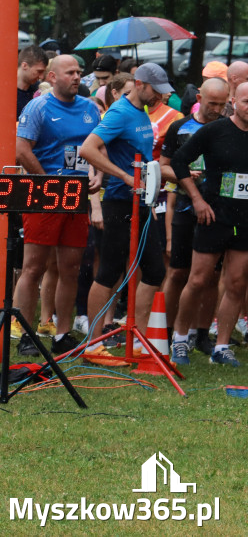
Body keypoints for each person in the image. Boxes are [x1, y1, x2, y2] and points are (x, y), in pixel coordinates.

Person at [168, 82, 248, 367]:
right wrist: (196, 199)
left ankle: (221, 347)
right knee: (198, 279)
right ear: (234, 102)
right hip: (213, 215)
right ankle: (180, 339)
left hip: (247, 220)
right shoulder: (213, 130)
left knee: (236, 283)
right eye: (246, 102)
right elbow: (179, 161)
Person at [79, 63, 172, 363]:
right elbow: (88, 149)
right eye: (155, 90)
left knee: (155, 271)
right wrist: (123, 176)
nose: (159, 96)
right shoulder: (119, 112)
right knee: (108, 272)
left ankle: (138, 339)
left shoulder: (142, 112)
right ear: (140, 83)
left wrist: (148, 194)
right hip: (120, 203)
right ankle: (93, 346)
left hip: (141, 204)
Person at [14, 55, 99, 357]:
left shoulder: (90, 108)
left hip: (76, 194)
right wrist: (47, 182)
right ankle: (26, 333)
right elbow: (21, 149)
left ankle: (63, 334)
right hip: (44, 193)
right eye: (70, 72)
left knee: (71, 268)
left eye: (79, 72)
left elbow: (97, 147)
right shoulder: (38, 107)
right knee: (34, 266)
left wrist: (98, 174)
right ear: (51, 77)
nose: (77, 77)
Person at [159, 78, 231, 351]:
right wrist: (184, 174)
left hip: (218, 209)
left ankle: (201, 334)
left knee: (211, 276)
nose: (216, 109)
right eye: (211, 103)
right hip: (186, 207)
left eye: (222, 104)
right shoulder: (179, 127)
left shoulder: (229, 127)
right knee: (178, 272)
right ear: (199, 96)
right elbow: (163, 167)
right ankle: (165, 332)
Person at [17, 44, 48, 117]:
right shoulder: (4, 91)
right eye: (39, 71)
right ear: (24, 66)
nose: (42, 76)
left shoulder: (40, 91)